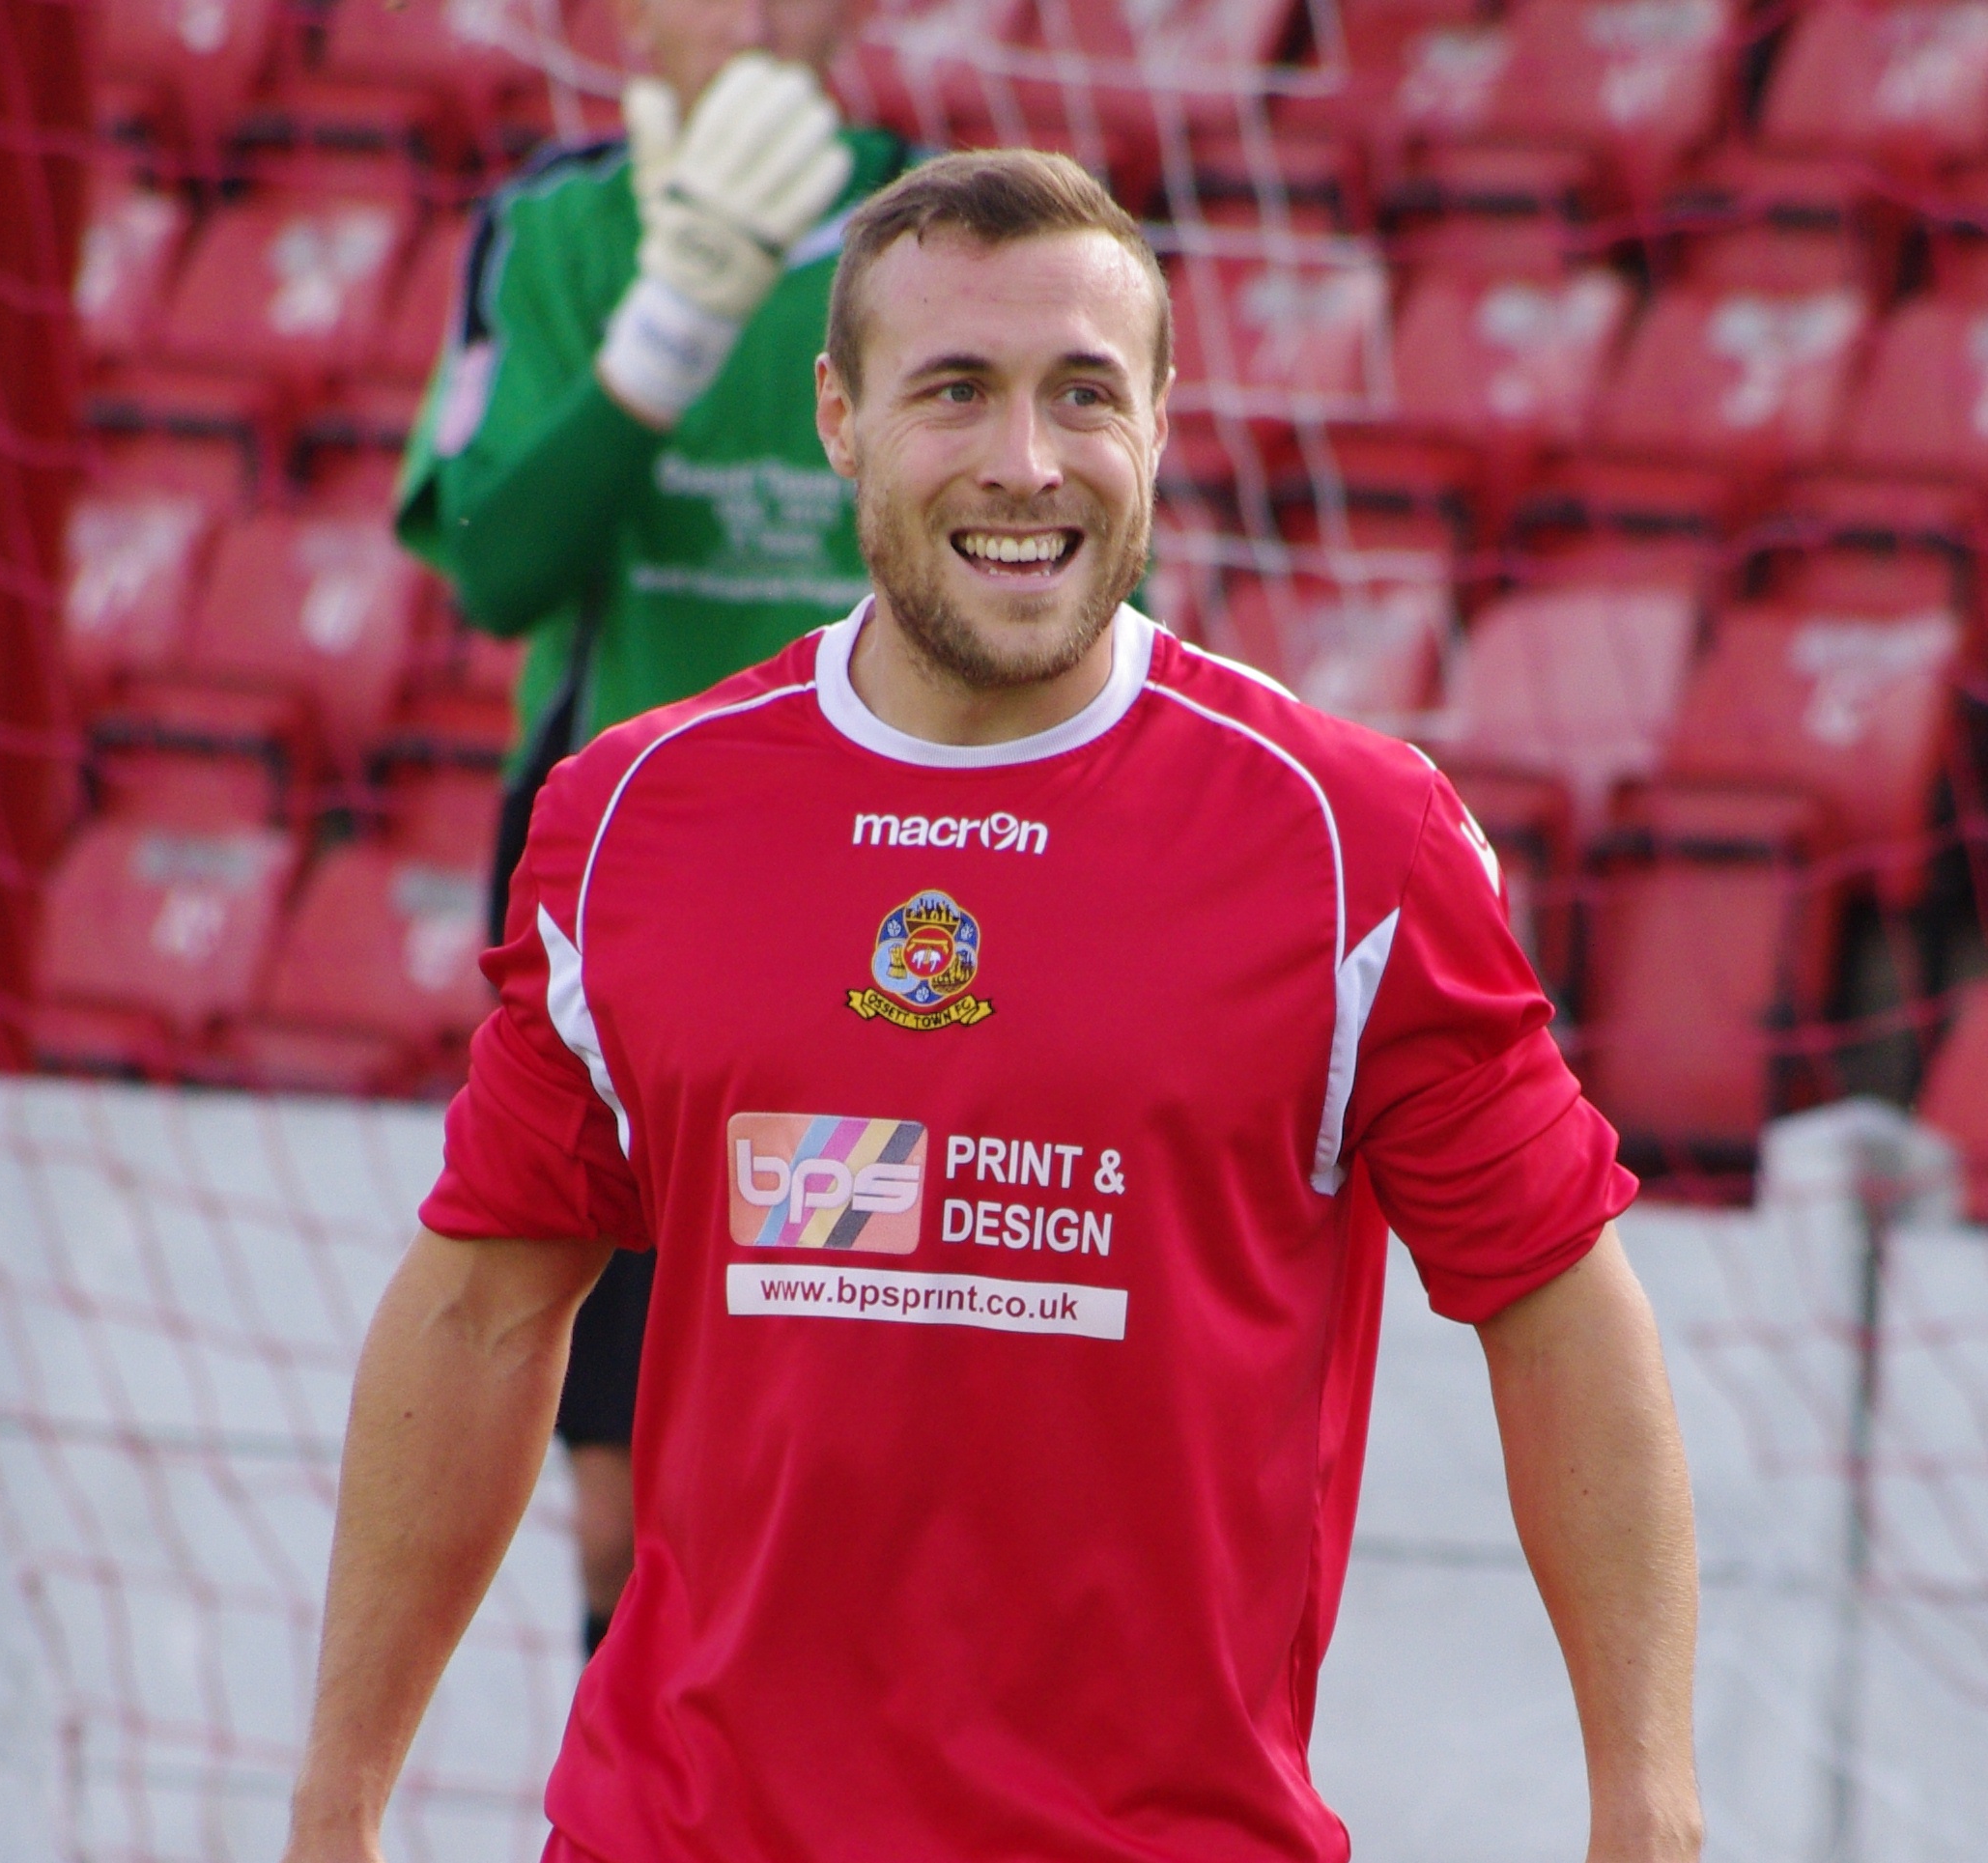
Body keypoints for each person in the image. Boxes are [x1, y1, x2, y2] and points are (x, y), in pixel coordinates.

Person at [289, 151, 1704, 1863]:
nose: (1023, 463)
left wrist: (1645, 1803)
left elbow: (1554, 1299)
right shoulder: (631, 817)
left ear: (1163, 419)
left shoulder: (1348, 841)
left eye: (1081, 394)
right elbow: (480, 1307)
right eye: (953, 390)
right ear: (838, 416)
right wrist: (340, 1802)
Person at [393, 0, 906, 1654]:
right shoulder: (556, 225)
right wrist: (667, 330)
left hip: (885, 930)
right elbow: (492, 564)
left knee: (834, 1438)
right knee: (624, 1486)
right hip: (625, 934)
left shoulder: (967, 222)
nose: (742, 12)